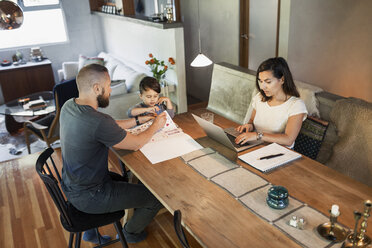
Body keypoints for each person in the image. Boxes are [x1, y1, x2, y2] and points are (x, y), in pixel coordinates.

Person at [60, 64, 166, 244]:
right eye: (108, 85)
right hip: (92, 195)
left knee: (132, 181)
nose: (110, 90)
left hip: (72, 185)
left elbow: (108, 123)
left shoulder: (69, 105)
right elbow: (136, 144)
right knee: (156, 198)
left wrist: (138, 120)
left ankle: (90, 233)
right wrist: (156, 126)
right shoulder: (96, 121)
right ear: (97, 88)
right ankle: (130, 234)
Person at [235, 57, 307, 148]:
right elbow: (252, 121)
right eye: (260, 81)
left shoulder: (296, 105)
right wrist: (249, 126)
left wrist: (257, 135)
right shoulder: (260, 98)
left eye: (268, 82)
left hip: (277, 153)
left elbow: (288, 139)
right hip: (255, 146)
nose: (262, 87)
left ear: (282, 80)